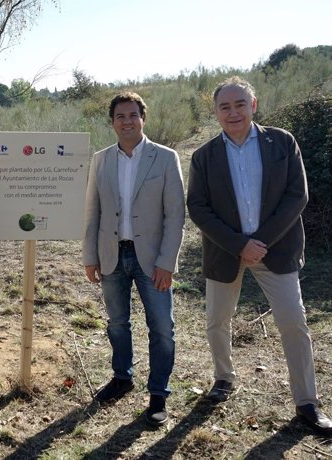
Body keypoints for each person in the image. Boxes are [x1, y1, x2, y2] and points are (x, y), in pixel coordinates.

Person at [186, 76, 332, 434]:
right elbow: (199, 208)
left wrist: (260, 242)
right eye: (224, 106)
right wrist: (239, 244)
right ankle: (223, 377)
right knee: (217, 321)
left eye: (239, 104)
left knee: (293, 323)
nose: (232, 112)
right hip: (225, 253)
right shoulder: (204, 156)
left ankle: (307, 403)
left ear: (253, 105)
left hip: (275, 249)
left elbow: (297, 196)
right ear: (217, 112)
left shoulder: (282, 142)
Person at [82, 92, 185, 426]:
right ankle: (122, 378)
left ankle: (158, 394)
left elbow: (175, 215)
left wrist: (167, 262)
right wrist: (90, 256)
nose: (126, 121)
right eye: (119, 116)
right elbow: (92, 210)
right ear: (112, 122)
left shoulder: (165, 158)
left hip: (152, 259)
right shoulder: (101, 159)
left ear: (144, 118)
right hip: (112, 254)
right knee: (117, 323)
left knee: (162, 328)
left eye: (132, 115)